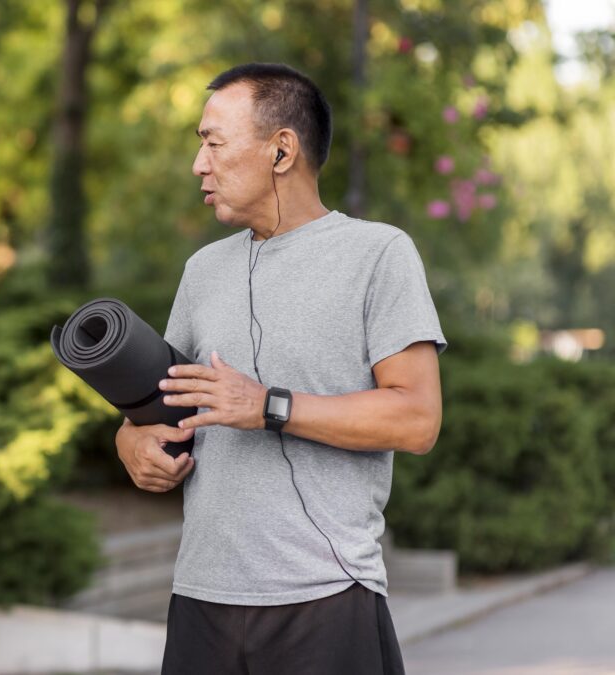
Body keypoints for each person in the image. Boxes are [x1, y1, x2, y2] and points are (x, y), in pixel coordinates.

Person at [114, 63, 445, 674]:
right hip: (200, 600)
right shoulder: (202, 271)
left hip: (326, 600)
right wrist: (131, 442)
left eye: (213, 142)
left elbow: (417, 418)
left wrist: (267, 405)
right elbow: (163, 407)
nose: (199, 164)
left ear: (281, 151)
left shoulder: (378, 253)